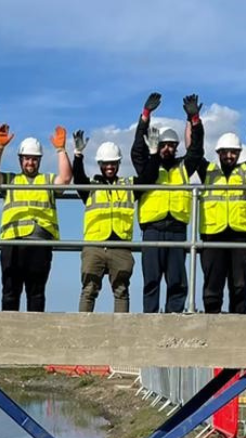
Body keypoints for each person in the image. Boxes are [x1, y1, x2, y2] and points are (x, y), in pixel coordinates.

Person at [0, 124, 73, 311]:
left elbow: (65, 179)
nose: (30, 163)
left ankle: (36, 335)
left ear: (39, 160)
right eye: (26, 159)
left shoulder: (47, 180)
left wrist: (61, 150)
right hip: (12, 242)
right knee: (10, 291)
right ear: (20, 160)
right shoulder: (10, 179)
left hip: (39, 243)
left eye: (34, 159)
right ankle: (8, 332)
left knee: (36, 292)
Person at [72, 131, 158, 312]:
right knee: (89, 289)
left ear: (118, 164)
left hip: (120, 246)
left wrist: (153, 152)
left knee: (121, 290)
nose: (110, 167)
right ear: (100, 164)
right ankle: (82, 331)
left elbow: (149, 177)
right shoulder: (90, 187)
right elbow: (78, 178)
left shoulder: (129, 185)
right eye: (106, 163)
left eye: (113, 163)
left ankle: (121, 332)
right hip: (94, 246)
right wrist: (78, 156)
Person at [132, 92, 199, 313]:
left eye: (171, 145)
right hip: (152, 229)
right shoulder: (148, 167)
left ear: (176, 147)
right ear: (157, 145)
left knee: (177, 281)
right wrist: (145, 116)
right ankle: (150, 319)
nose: (167, 149)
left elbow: (197, 149)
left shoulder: (183, 167)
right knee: (151, 280)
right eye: (163, 145)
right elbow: (137, 150)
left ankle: (174, 318)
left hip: (177, 230)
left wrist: (195, 120)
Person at [186, 95, 246, 313]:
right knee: (213, 284)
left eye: (233, 152)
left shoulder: (245, 171)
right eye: (225, 152)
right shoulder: (207, 170)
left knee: (241, 285)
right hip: (213, 233)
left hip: (241, 234)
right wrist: (194, 120)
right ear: (218, 153)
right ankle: (211, 321)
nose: (229, 156)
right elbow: (193, 150)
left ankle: (240, 324)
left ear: (239, 153)